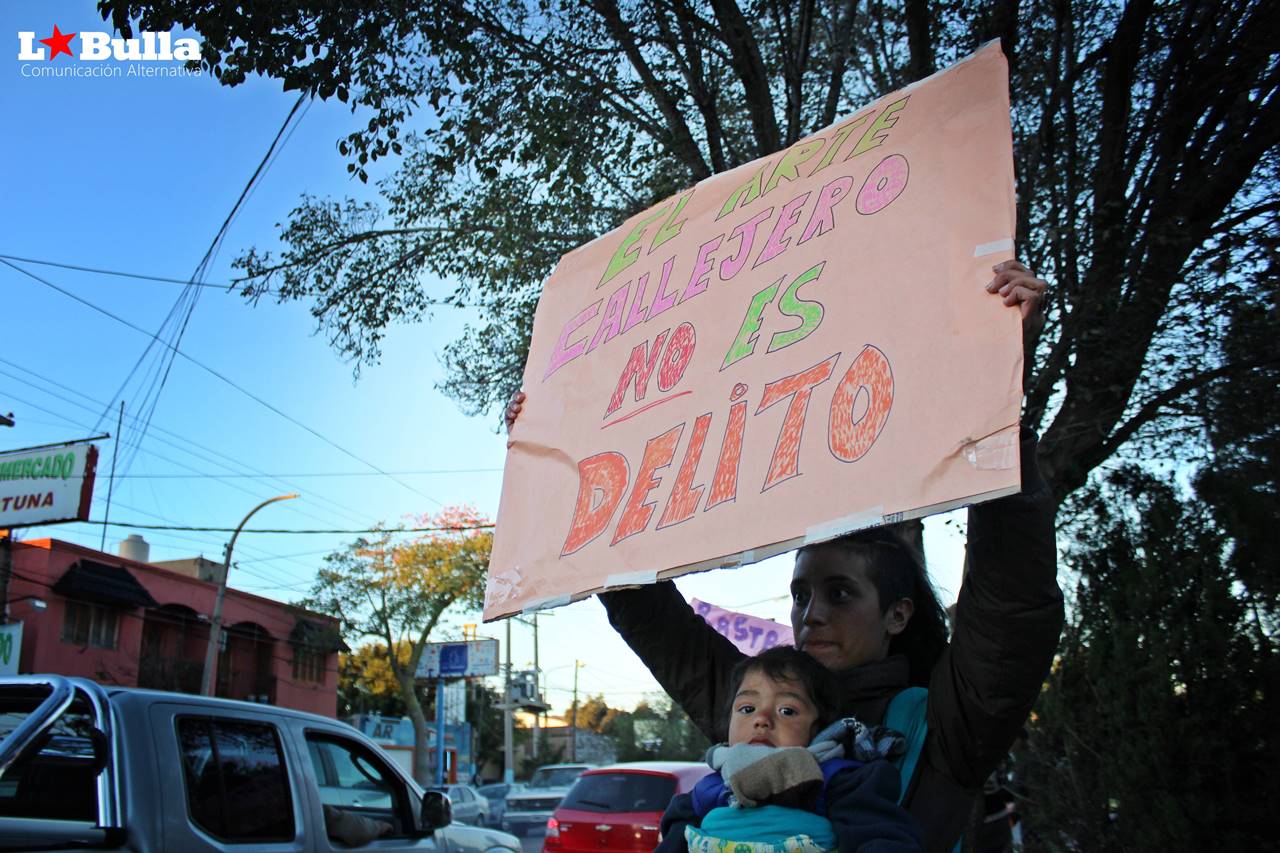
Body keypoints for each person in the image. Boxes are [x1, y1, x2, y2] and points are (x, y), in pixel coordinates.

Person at [506, 260, 1061, 852]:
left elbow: (1009, 604)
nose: (810, 613)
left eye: (840, 593)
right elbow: (649, 615)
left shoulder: (948, 722)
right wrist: (562, 461)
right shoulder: (752, 697)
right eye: (800, 594)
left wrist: (995, 387)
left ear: (898, 613)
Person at [656, 646, 921, 853]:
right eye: (747, 709)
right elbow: (677, 830)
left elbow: (882, 836)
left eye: (787, 711)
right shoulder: (711, 787)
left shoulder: (837, 779)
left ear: (820, 730)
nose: (761, 719)